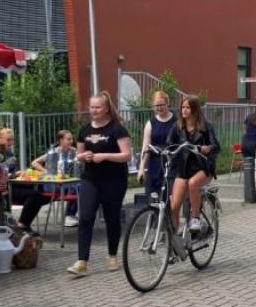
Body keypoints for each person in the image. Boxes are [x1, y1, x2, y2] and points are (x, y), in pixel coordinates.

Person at [68, 91, 133, 277]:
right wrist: (83, 156)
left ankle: (112, 254)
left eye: (97, 107)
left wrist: (104, 156)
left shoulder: (116, 129)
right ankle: (82, 261)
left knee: (111, 218)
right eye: (92, 107)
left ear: (106, 109)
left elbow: (126, 155)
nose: (94, 110)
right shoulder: (85, 130)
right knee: (85, 216)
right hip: (91, 179)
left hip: (114, 180)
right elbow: (78, 155)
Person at [166, 96, 220, 241]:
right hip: (183, 169)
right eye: (183, 107)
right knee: (174, 206)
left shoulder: (205, 126)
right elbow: (169, 144)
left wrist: (207, 149)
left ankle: (195, 218)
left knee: (193, 183)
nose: (184, 110)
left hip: (202, 167)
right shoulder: (177, 127)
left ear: (195, 109)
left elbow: (216, 146)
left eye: (188, 107)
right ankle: (174, 240)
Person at [16, 130, 79, 232]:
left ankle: (72, 214)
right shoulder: (54, 152)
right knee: (75, 187)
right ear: (61, 140)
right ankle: (70, 215)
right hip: (53, 182)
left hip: (68, 180)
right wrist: (46, 171)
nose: (71, 141)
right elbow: (34, 162)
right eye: (68, 139)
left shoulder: (73, 151)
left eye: (72, 139)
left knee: (79, 186)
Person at [138, 91, 177, 203]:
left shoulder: (177, 121)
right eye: (157, 105)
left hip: (171, 164)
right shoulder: (150, 123)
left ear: (167, 104)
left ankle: (171, 220)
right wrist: (142, 168)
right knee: (153, 200)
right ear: (153, 106)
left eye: (162, 105)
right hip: (154, 165)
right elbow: (146, 147)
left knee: (170, 200)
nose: (159, 108)